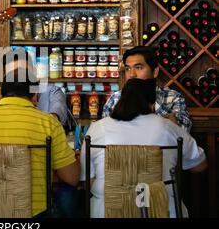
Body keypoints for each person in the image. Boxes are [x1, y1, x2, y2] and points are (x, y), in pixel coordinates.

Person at [0, 62, 80, 217]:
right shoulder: (48, 124)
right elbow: (72, 178)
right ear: (34, 95)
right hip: (36, 214)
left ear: (1, 93)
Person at [81, 78, 207, 218]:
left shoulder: (97, 128)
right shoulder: (167, 127)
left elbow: (86, 178)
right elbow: (200, 165)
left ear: (121, 100)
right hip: (163, 211)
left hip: (106, 211)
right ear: (152, 104)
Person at [102, 46, 192, 133]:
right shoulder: (115, 98)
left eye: (138, 67)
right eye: (127, 69)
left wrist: (149, 103)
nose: (132, 74)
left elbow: (183, 132)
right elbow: (105, 132)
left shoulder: (173, 98)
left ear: (155, 72)